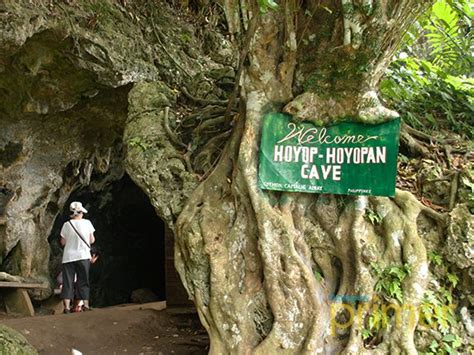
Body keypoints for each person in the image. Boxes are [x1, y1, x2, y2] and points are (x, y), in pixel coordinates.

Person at [60, 201, 96, 313]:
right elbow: (92, 240)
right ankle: (85, 305)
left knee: (68, 281)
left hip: (68, 257)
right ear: (80, 213)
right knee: (83, 280)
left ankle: (66, 307)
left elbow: (62, 242)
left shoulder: (66, 225)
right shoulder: (87, 223)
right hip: (83, 255)